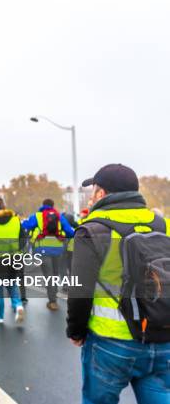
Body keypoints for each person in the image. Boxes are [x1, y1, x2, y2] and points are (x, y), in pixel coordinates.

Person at [66, 163, 170, 404]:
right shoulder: (162, 224)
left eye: (93, 191)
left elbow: (80, 290)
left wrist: (76, 330)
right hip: (161, 335)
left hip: (111, 342)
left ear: (101, 194)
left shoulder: (92, 230)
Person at [22, 198, 75, 311]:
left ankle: (52, 301)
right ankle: (53, 296)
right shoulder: (60, 217)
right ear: (53, 205)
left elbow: (25, 226)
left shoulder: (37, 216)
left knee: (48, 276)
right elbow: (70, 232)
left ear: (43, 205)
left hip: (42, 250)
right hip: (58, 250)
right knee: (54, 275)